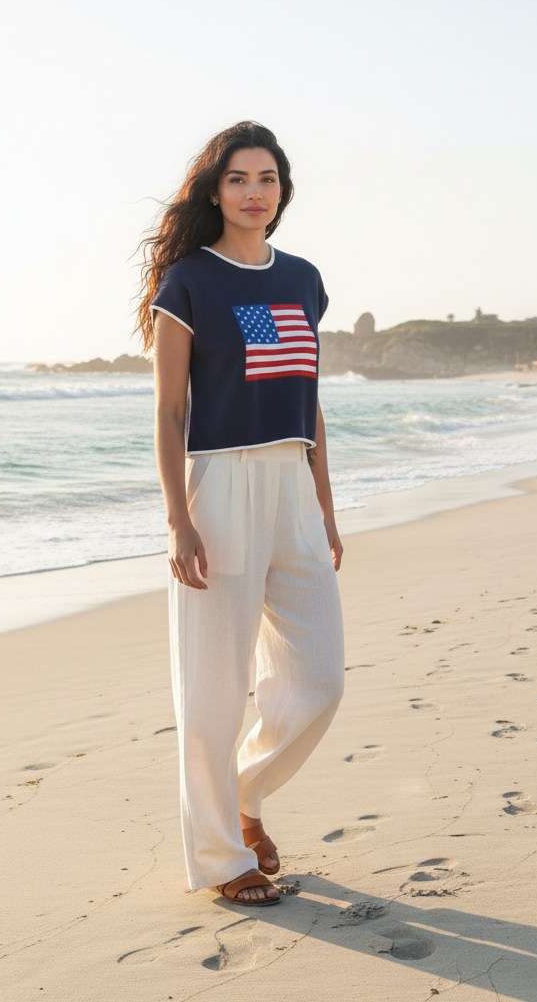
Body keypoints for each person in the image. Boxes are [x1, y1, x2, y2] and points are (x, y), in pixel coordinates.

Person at [137, 121, 344, 907]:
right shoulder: (189, 282)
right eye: (238, 179)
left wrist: (325, 510)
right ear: (214, 190)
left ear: (282, 191)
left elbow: (310, 401)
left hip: (293, 485)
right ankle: (222, 856)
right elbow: (168, 411)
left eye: (267, 178)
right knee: (212, 690)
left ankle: (246, 793)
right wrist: (177, 519)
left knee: (319, 677)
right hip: (217, 487)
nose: (254, 192)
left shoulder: (304, 279)